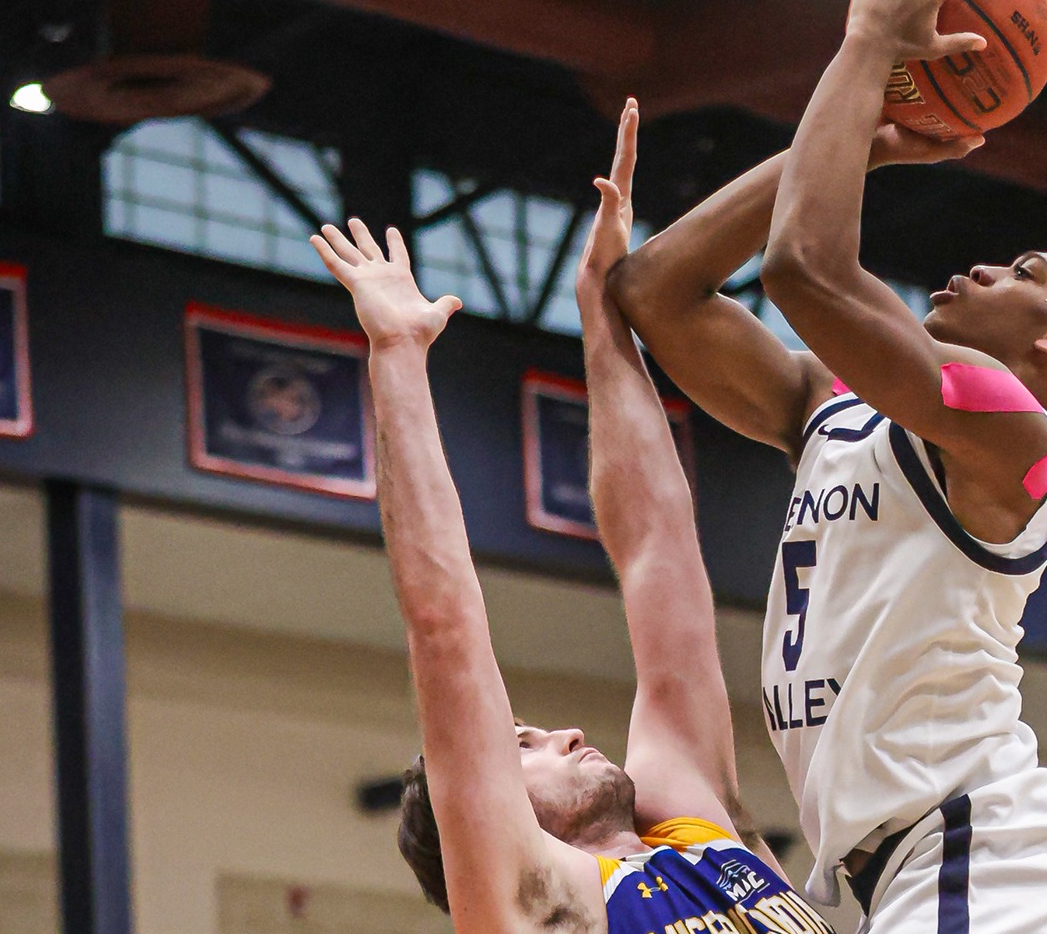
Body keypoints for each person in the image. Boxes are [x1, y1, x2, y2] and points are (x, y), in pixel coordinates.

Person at [610, 0, 1047, 933]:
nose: (984, 267)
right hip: (908, 868)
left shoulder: (1014, 439)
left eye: (1024, 274)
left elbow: (804, 271)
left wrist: (869, 45)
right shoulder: (838, 413)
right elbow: (655, 291)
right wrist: (851, 150)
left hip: (979, 851)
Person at [308, 103, 833, 934]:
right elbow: (445, 627)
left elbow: (660, 553)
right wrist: (399, 356)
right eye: (523, 747)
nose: (570, 733)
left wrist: (600, 309)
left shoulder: (701, 832)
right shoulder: (537, 902)